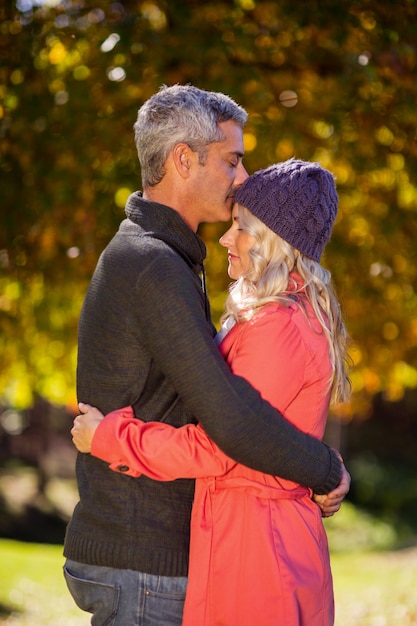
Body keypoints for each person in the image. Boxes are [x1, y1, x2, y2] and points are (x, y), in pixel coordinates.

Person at [64, 84, 349, 626]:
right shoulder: (154, 264)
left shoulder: (170, 259)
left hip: (189, 549)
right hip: (142, 556)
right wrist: (326, 469)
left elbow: (229, 420)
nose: (242, 177)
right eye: (232, 160)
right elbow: (232, 422)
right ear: (183, 159)